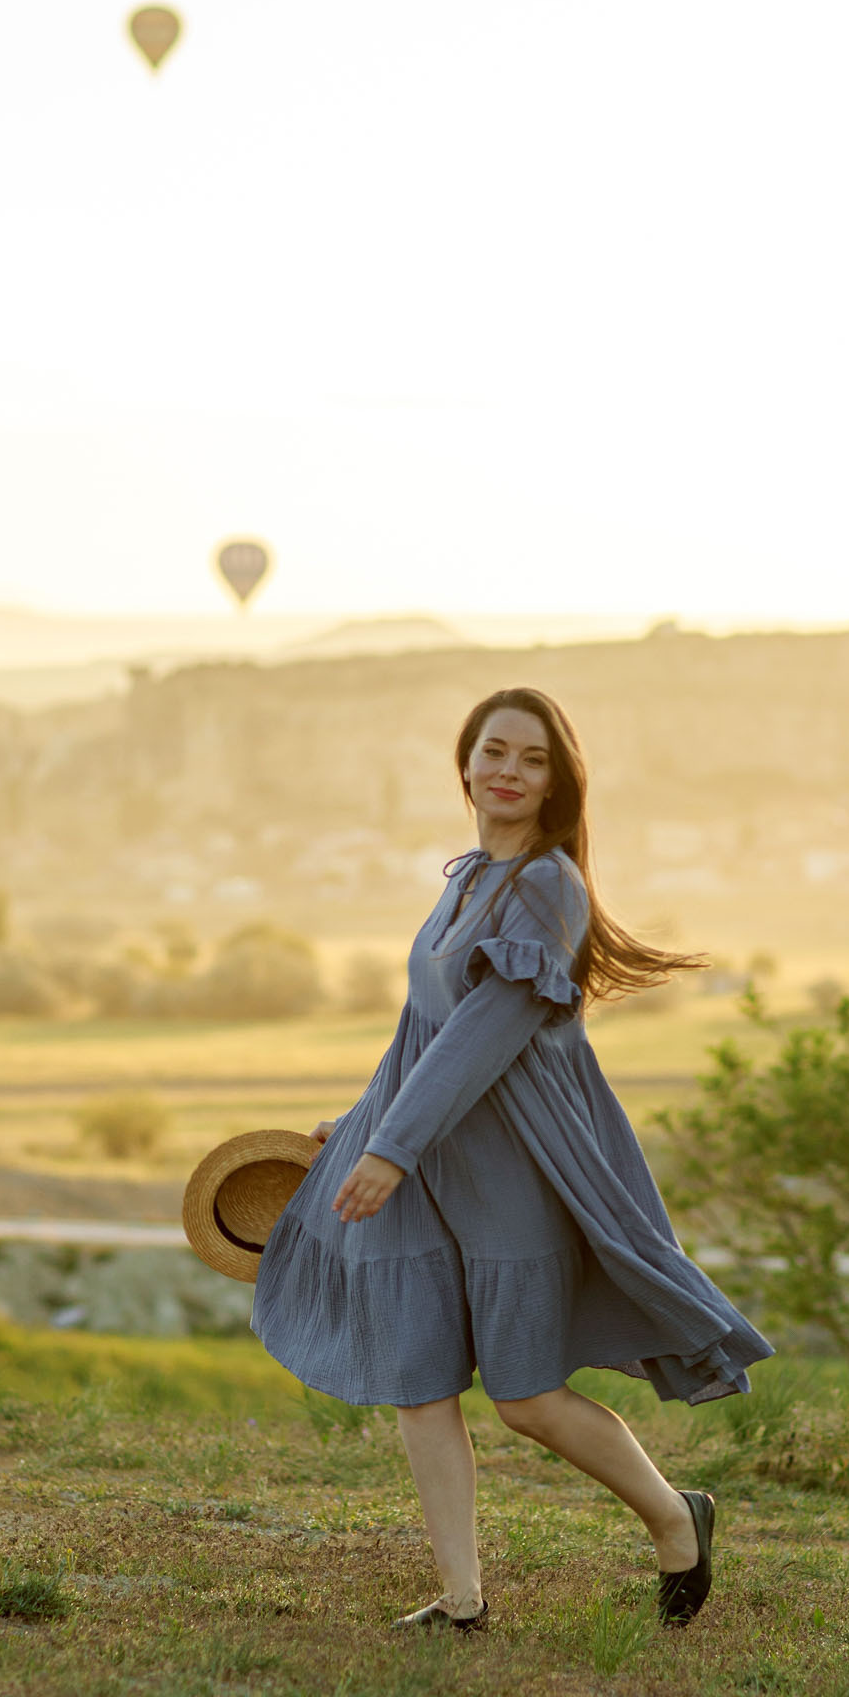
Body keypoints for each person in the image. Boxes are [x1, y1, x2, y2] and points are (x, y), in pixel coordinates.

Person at [252, 686, 772, 1631]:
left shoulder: (548, 886)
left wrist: (392, 1147)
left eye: (533, 760)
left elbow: (487, 1033)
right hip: (421, 1163)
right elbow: (421, 1033)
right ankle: (461, 1603)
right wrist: (360, 1118)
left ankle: (675, 1516)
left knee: (526, 1397)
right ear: (464, 763)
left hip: (514, 1169)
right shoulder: (462, 880)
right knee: (418, 1379)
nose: (509, 772)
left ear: (557, 782)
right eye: (495, 751)